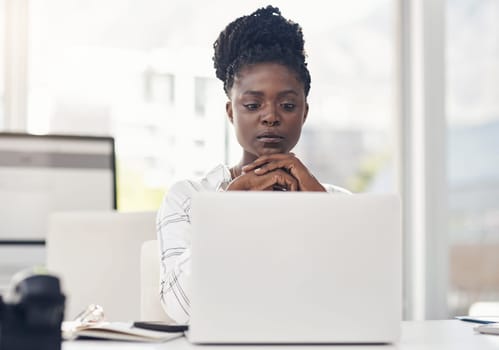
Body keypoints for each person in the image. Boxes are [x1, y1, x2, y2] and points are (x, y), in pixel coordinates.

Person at [157, 5, 350, 324]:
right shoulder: (189, 198)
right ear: (231, 112)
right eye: (252, 104)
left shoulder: (338, 203)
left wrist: (321, 209)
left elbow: (359, 302)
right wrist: (227, 210)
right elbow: (182, 309)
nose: (271, 116)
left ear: (304, 113)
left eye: (288, 105)